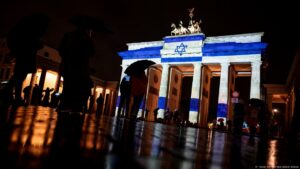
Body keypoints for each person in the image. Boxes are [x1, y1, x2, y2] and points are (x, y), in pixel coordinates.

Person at [2, 13, 49, 106]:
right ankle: (14, 96)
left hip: (24, 55)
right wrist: (39, 44)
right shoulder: (31, 32)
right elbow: (32, 44)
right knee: (20, 76)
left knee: (18, 75)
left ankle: (7, 92)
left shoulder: (24, 29)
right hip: (26, 55)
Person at [58, 20, 96, 113]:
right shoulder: (87, 39)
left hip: (68, 64)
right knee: (77, 86)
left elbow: (61, 49)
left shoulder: (68, 35)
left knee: (67, 85)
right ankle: (75, 107)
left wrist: (67, 56)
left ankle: (64, 105)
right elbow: (92, 53)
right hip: (80, 67)